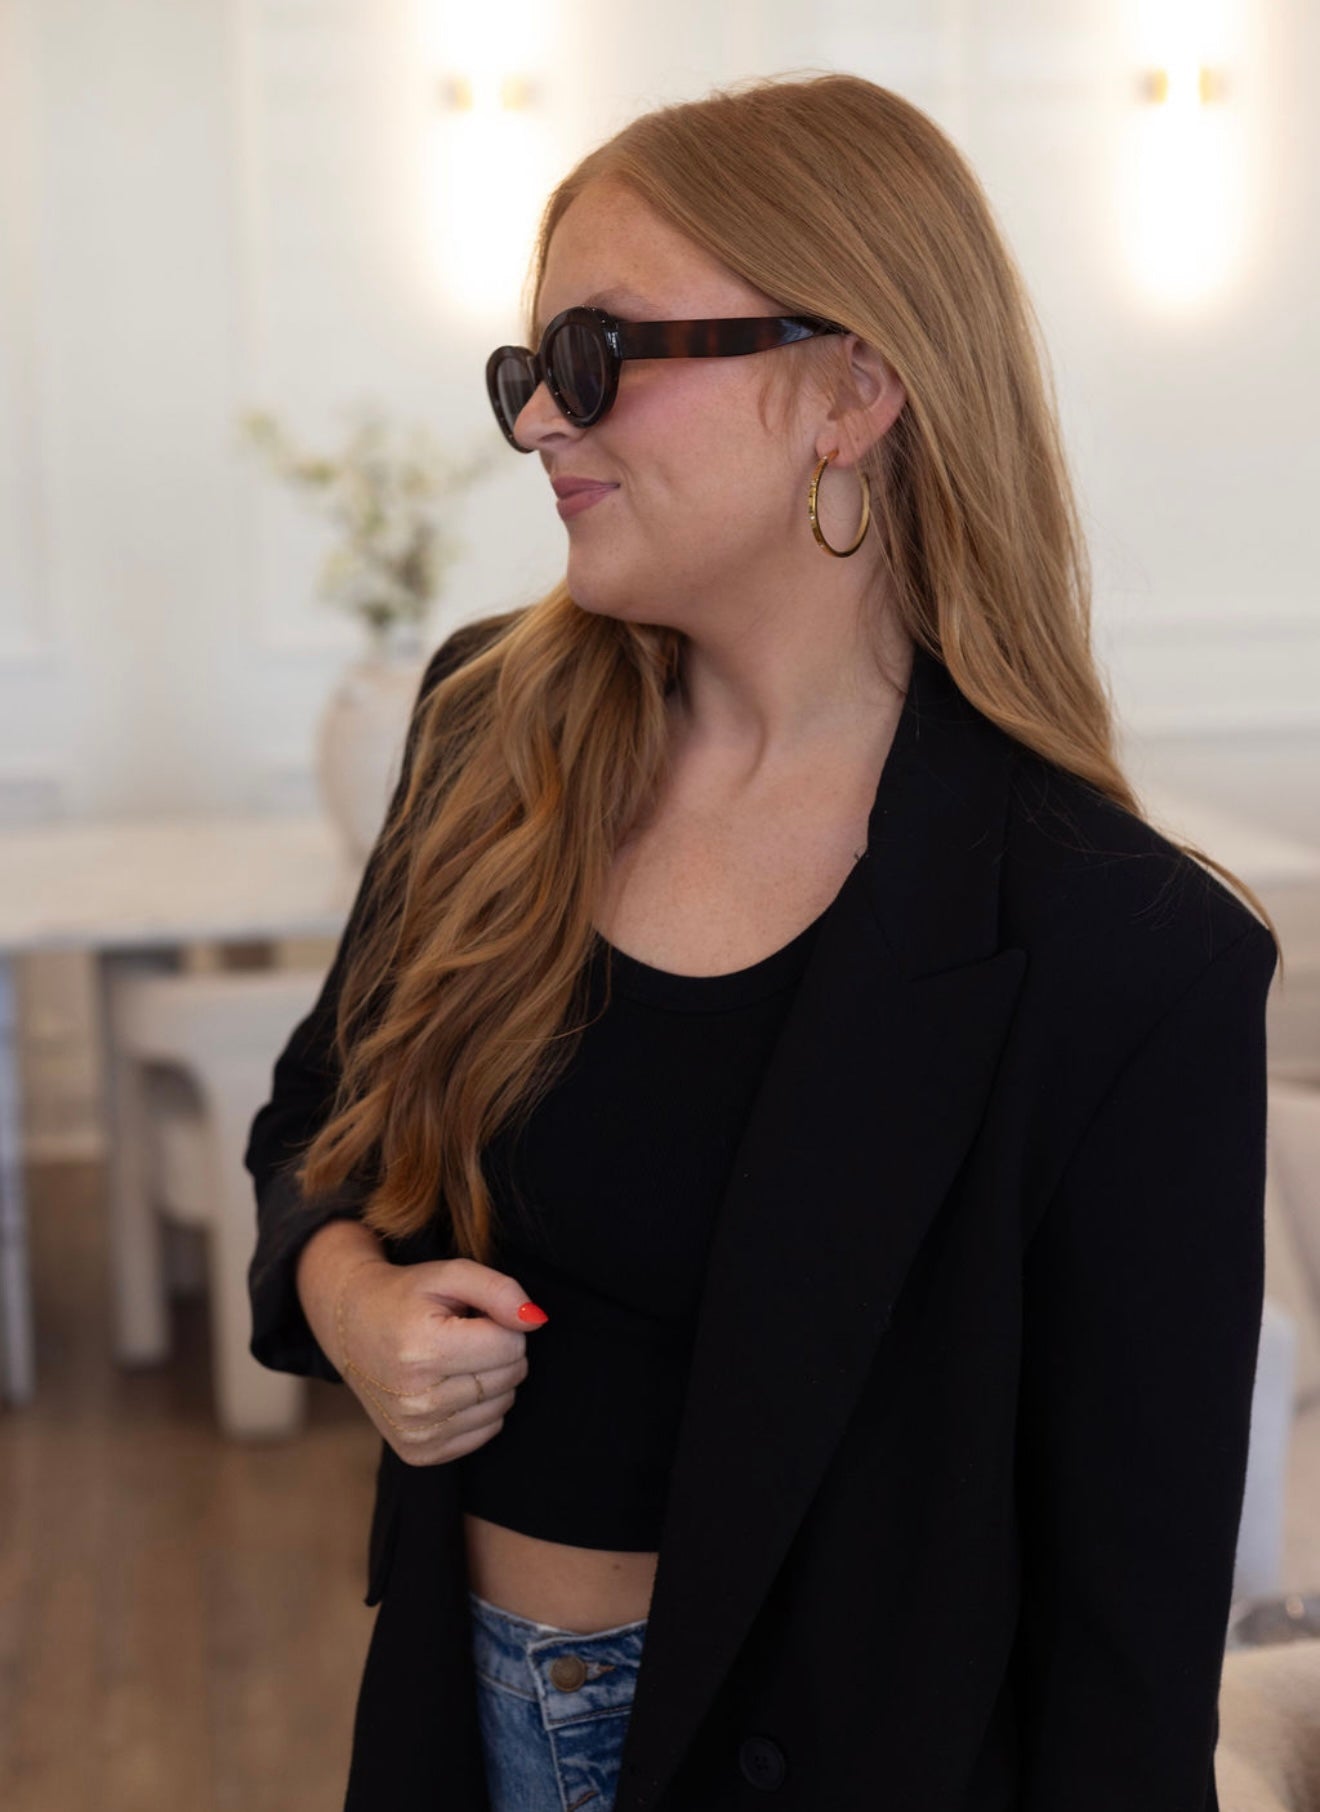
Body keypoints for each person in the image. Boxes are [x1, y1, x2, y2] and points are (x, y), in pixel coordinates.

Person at [244, 70, 1281, 1812]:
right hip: (456, 1721)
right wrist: (347, 1298)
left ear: (852, 391)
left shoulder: (1129, 952)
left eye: (599, 355)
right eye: (528, 369)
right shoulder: (490, 731)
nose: (541, 422)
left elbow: (1127, 1666)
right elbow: (312, 1131)